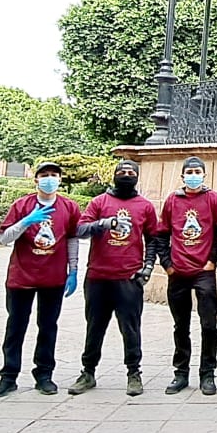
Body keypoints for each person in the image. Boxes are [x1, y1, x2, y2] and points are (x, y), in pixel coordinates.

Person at [0, 161, 81, 398]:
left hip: (53, 278)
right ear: (36, 179)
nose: (49, 179)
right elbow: (4, 238)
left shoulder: (69, 207)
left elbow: (72, 238)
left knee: (48, 327)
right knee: (15, 327)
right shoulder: (22, 205)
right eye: (44, 175)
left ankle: (44, 375)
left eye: (54, 175)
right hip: (22, 277)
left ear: (60, 179)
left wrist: (73, 270)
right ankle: (8, 376)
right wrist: (27, 221)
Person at [69, 159, 159, 397]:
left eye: (131, 172)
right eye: (122, 171)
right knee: (94, 327)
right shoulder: (99, 202)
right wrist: (104, 224)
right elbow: (80, 229)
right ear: (114, 174)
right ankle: (88, 372)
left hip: (129, 278)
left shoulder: (145, 206)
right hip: (98, 277)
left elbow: (153, 238)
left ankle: (134, 373)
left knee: (131, 328)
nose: (126, 175)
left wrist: (148, 266)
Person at [156, 156, 217, 396]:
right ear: (182, 176)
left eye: (197, 172)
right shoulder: (172, 200)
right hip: (178, 271)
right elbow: (162, 234)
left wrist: (212, 261)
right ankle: (181, 372)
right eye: (190, 172)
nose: (193, 176)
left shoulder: (213, 199)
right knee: (180, 325)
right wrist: (167, 264)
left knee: (209, 324)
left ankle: (208, 373)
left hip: (203, 271)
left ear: (204, 175)